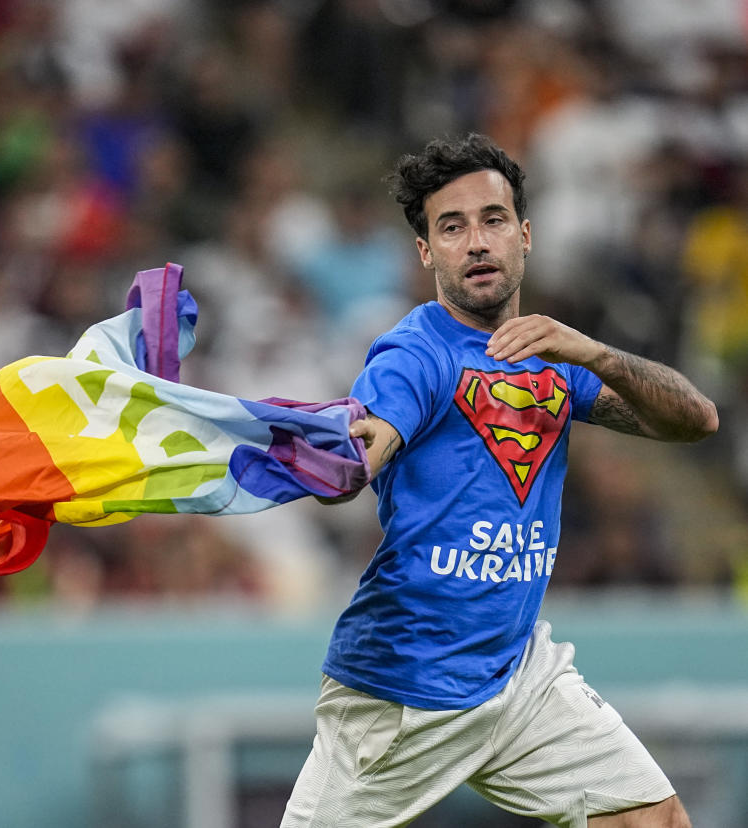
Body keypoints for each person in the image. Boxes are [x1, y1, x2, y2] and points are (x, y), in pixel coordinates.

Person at [281, 134, 717, 828]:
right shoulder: (413, 352)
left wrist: (594, 352)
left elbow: (695, 420)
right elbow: (378, 432)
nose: (476, 241)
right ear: (427, 252)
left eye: (492, 219)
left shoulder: (555, 356)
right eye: (451, 228)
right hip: (402, 688)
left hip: (519, 674)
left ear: (525, 234)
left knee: (655, 820)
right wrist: (356, 455)